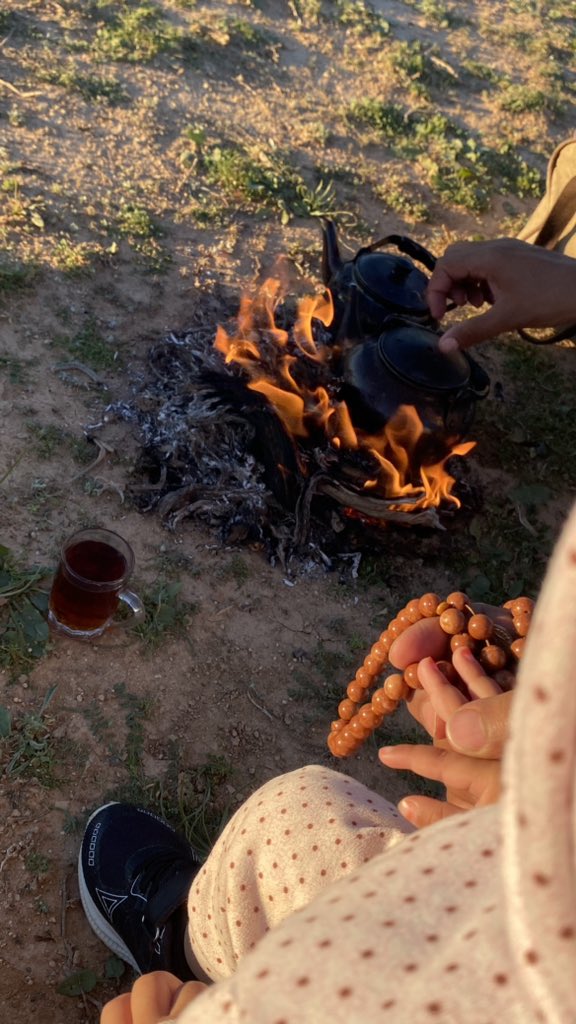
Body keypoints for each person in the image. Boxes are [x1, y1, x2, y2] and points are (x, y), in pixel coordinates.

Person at [80, 239, 576, 1023]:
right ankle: (189, 939)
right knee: (299, 805)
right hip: (525, 866)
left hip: (456, 971)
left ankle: (194, 966)